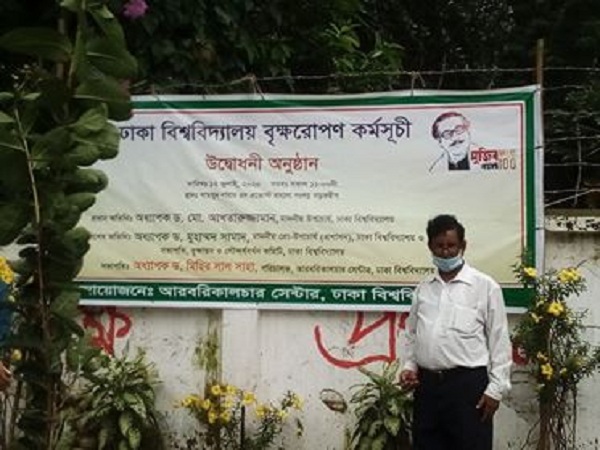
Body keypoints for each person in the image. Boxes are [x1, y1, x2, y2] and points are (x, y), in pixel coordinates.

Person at [400, 214, 511, 450]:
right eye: (439, 246)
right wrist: (409, 367)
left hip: (468, 389)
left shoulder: (485, 286)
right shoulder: (423, 288)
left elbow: (499, 339)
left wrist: (496, 389)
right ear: (430, 246)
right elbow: (412, 334)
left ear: (463, 246)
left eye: (451, 245)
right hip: (427, 389)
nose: (446, 252)